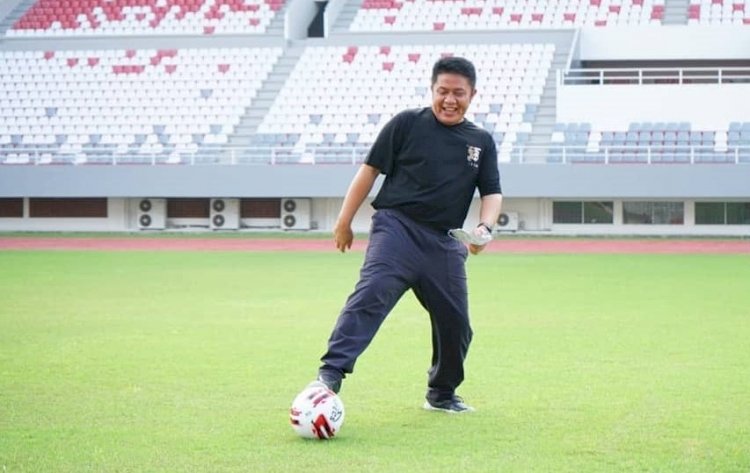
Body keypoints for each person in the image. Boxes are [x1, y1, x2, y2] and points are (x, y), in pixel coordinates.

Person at [311, 56, 503, 413]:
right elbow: (369, 171)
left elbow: (491, 191)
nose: (449, 99)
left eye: (458, 93)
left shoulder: (481, 141)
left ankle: (442, 394)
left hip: (445, 242)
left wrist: (484, 228)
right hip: (397, 228)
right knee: (372, 292)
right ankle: (330, 374)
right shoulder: (405, 124)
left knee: (457, 324)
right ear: (432, 89)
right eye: (442, 91)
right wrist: (344, 220)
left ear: (472, 95)